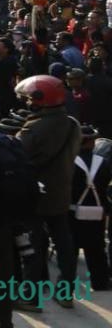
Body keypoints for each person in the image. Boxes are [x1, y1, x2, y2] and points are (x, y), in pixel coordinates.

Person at [15, 74, 80, 302]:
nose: (27, 103)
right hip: (61, 192)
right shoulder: (72, 124)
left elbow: (18, 158)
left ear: (39, 99)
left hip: (36, 195)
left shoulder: (32, 130)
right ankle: (65, 292)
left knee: (33, 245)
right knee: (64, 242)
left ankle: (30, 296)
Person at [71, 124, 110, 290]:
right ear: (92, 143)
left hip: (72, 211)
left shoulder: (69, 162)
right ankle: (99, 282)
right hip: (97, 211)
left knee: (70, 250)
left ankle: (67, 284)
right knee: (96, 249)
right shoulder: (105, 163)